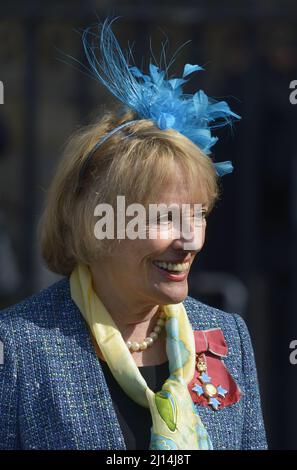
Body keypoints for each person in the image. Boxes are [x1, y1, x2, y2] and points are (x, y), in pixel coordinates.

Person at [0, 18, 267, 450]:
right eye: (163, 218)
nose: (191, 241)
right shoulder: (16, 349)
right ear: (95, 223)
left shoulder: (228, 335)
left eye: (197, 214)